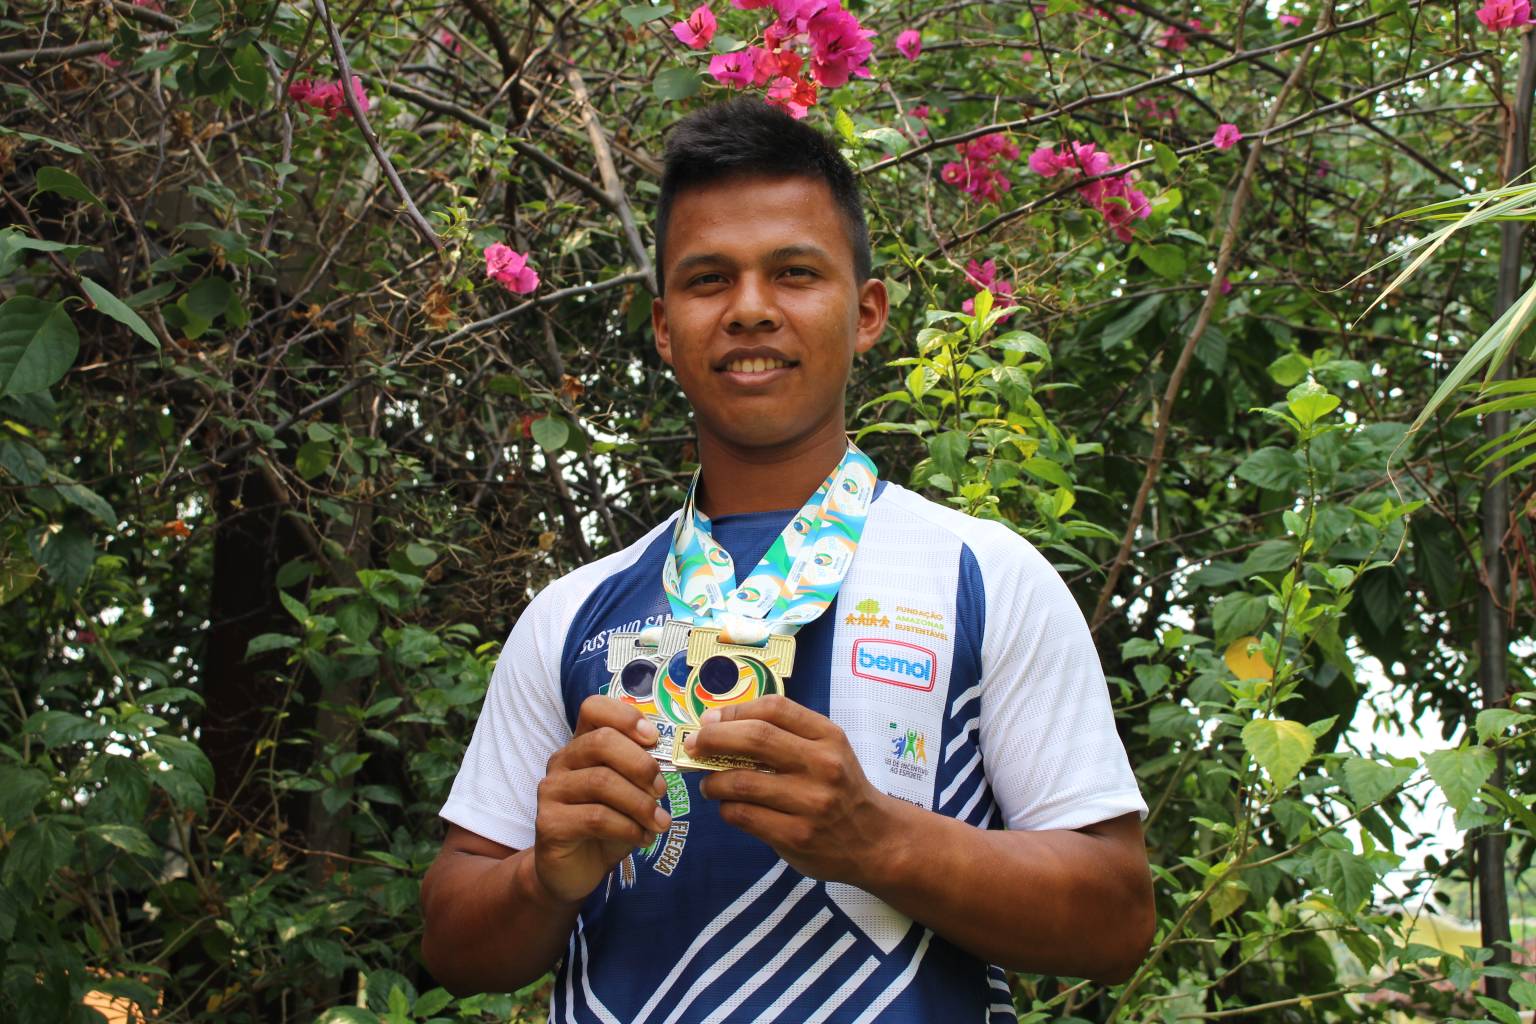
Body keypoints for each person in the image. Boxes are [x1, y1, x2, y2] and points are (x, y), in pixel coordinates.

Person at [420, 97, 1154, 1023]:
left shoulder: (987, 578)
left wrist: (879, 840)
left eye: (796, 273)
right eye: (708, 280)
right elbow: (452, 944)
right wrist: (543, 878)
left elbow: (1119, 920)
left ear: (869, 312)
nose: (752, 310)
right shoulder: (571, 614)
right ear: (661, 326)